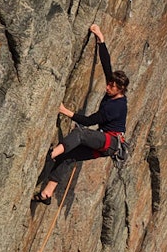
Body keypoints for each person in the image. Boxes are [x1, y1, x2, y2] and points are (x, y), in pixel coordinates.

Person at [34, 24, 128, 204]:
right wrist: (100, 38)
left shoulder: (116, 107)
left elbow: (89, 121)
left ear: (121, 89)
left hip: (110, 142)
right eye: (109, 84)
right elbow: (106, 64)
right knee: (69, 156)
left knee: (80, 134)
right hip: (106, 143)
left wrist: (65, 111)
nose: (107, 88)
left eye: (112, 87)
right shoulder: (114, 91)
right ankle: (46, 194)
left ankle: (51, 154)